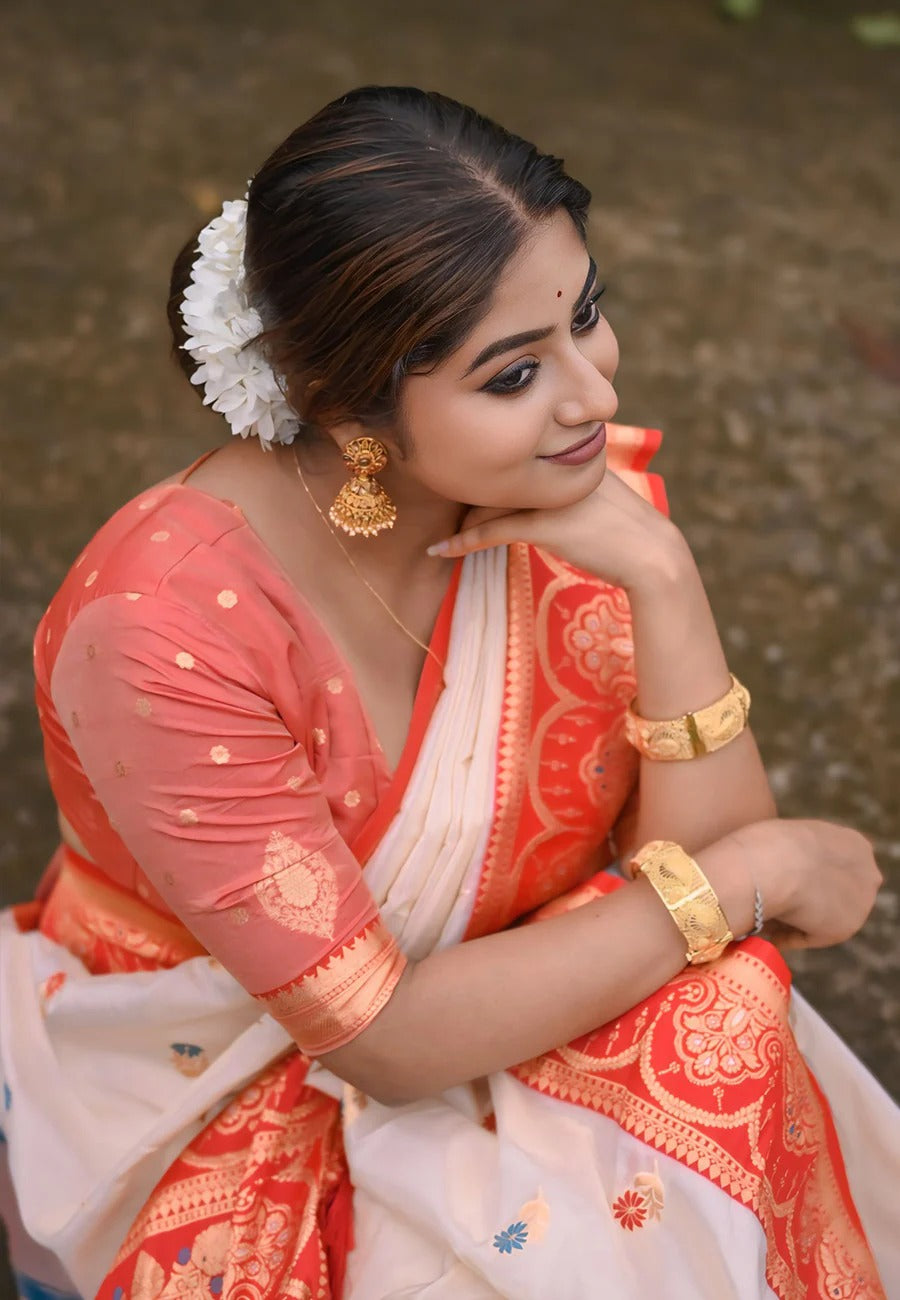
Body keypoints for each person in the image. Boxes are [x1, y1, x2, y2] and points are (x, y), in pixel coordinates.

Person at [1, 85, 896, 1300]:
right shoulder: (161, 632)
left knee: (729, 1015)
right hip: (228, 1070)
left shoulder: (563, 502)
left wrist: (665, 580)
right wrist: (762, 877)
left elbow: (700, 852)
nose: (592, 395)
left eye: (589, 316)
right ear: (347, 410)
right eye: (516, 371)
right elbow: (392, 1040)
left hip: (515, 984)